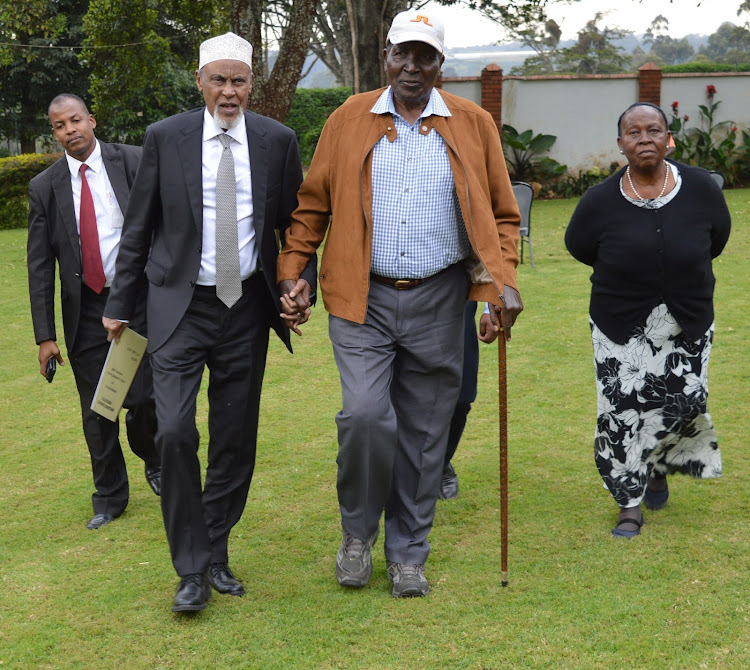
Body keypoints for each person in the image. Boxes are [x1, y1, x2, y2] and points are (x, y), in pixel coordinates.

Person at [277, 10, 523, 597]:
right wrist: (293, 271)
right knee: (364, 416)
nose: (412, 67)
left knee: (425, 429)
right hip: (362, 296)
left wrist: (499, 286)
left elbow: (502, 214)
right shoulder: (348, 118)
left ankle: (409, 551)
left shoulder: (473, 122)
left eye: (426, 56)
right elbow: (312, 206)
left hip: (441, 297)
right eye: (402, 54)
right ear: (385, 57)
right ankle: (357, 537)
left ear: (441, 65)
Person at [102, 32, 317, 612]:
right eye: (218, 80)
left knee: (233, 439)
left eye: (239, 80)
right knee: (174, 433)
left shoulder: (277, 140)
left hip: (247, 307)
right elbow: (138, 229)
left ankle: (212, 553)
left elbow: (297, 228)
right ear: (199, 81)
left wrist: (302, 283)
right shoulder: (165, 138)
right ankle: (189, 566)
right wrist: (120, 304)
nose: (229, 91)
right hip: (178, 308)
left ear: (253, 84)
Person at [565, 102, 731, 539]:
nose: (644, 139)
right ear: (620, 143)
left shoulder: (700, 188)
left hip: (688, 319)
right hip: (621, 325)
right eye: (633, 133)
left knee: (681, 405)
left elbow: (716, 239)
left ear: (667, 137)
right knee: (622, 412)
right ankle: (629, 503)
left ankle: (659, 469)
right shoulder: (600, 199)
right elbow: (579, 245)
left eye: (653, 130)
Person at [27, 94, 161, 531]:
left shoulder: (135, 161)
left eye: (76, 120)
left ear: (92, 120)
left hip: (138, 300)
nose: (71, 130)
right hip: (85, 309)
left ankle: (154, 458)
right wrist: (45, 336)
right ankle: (109, 494)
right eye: (60, 125)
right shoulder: (44, 187)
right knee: (96, 409)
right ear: (55, 133)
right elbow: (40, 267)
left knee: (143, 397)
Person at [439, 302, 498, 500]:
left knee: (461, 397)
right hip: (399, 301)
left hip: (457, 298)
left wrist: (491, 307)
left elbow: (497, 269)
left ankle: (440, 462)